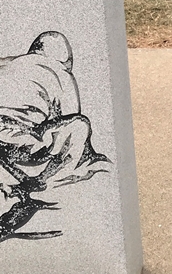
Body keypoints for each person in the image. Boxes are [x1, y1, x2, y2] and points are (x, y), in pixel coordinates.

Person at [0, 31, 108, 240]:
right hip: (18, 140)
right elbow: (71, 114)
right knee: (79, 125)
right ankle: (41, 182)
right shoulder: (59, 71)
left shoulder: (8, 63)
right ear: (65, 60)